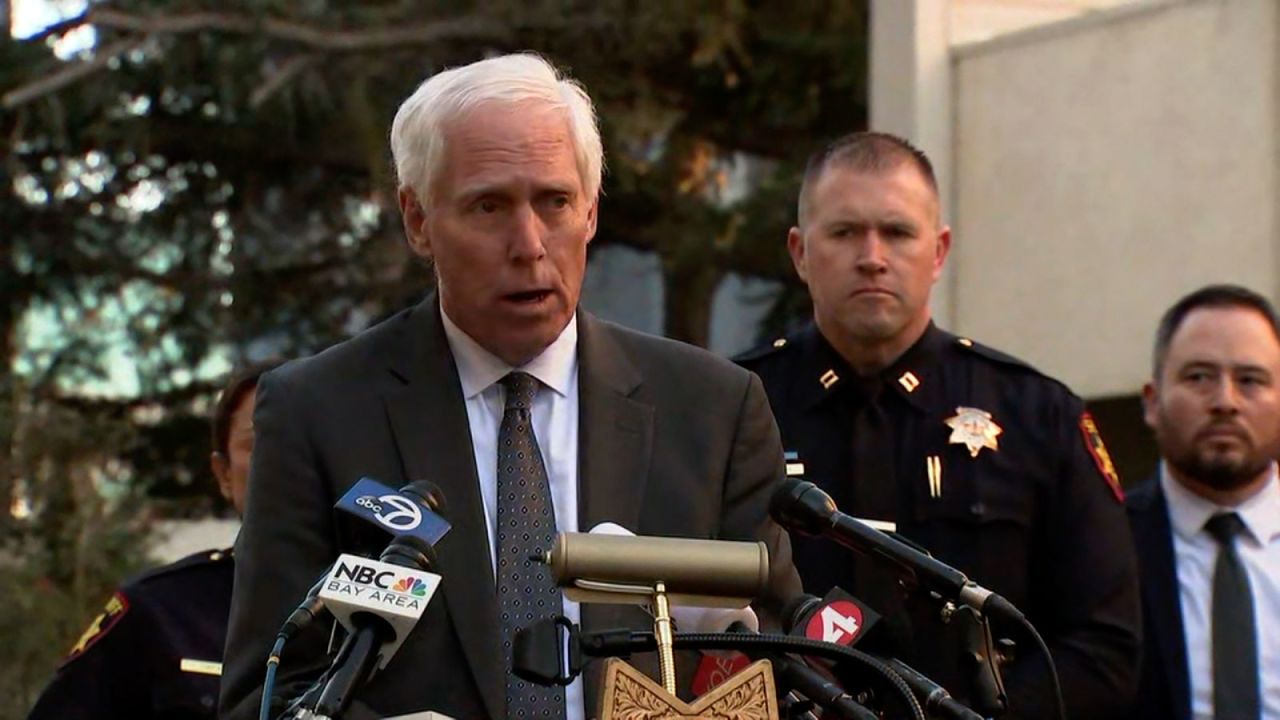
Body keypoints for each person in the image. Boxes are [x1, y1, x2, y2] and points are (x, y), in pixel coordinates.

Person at [218, 53, 799, 720]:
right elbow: (265, 694)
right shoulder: (319, 411)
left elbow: (780, 672)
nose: (528, 244)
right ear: (417, 220)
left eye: (554, 202)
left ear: (590, 212)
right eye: (489, 206)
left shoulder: (713, 411)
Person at [737, 131, 1140, 718]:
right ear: (799, 251)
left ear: (940, 251)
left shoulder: (1037, 415)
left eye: (897, 232)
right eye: (844, 232)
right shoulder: (736, 406)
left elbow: (1104, 646)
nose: (872, 256)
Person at [27, 362, 274, 720]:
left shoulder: (378, 608)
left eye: (302, 442)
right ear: (223, 475)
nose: (284, 461)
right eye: (258, 443)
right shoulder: (161, 612)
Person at [1128, 284, 1280, 720]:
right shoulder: (1101, 546)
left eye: (1250, 380)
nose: (1225, 402)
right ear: (1152, 402)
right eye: (1199, 377)